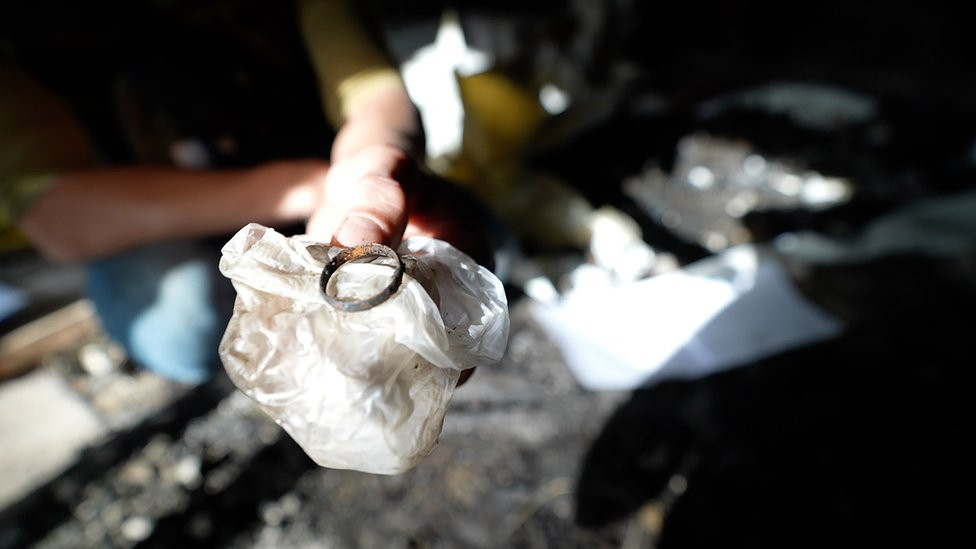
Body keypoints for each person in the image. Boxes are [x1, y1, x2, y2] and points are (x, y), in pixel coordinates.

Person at [1, 0, 488, 384]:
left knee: (466, 246)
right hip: (157, 206)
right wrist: (313, 188)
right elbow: (55, 214)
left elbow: (370, 89)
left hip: (311, 162)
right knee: (178, 327)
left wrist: (368, 170)